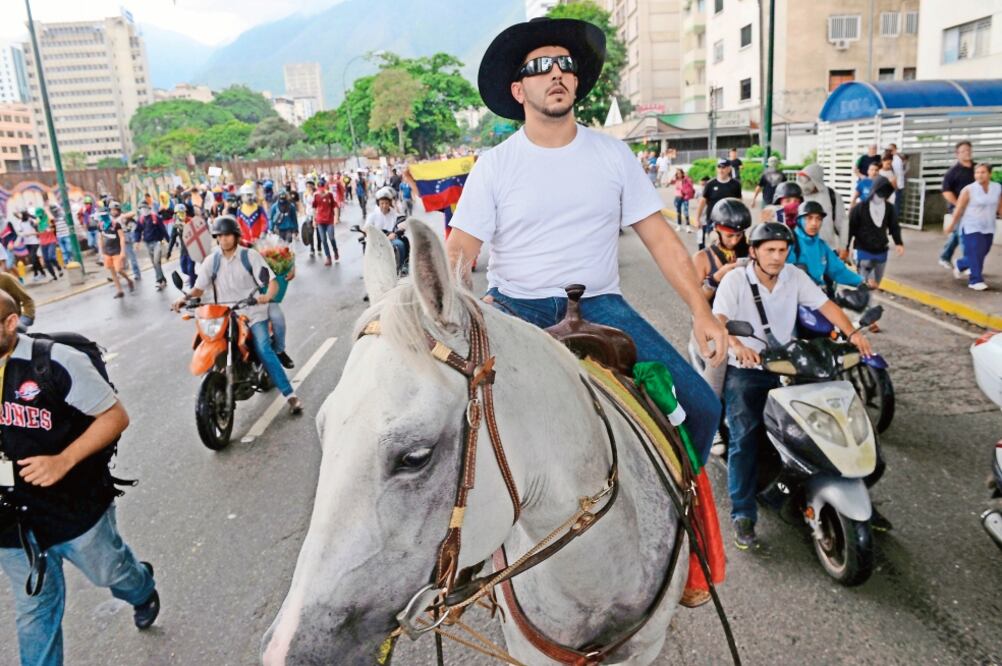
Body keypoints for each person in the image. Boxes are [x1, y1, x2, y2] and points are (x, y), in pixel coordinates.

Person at [445, 16, 726, 470]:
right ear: (519, 91)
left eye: (565, 64)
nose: (556, 73)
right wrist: (440, 313)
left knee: (702, 408)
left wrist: (701, 311)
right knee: (457, 429)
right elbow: (460, 252)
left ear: (575, 81)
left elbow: (660, 238)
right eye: (541, 66)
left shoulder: (613, 154)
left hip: (600, 307)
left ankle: (678, 520)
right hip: (517, 310)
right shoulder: (495, 166)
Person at [0, 292, 160, 666]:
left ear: (10, 324)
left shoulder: (53, 363)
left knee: (111, 571)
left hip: (74, 509)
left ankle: (142, 588)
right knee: (34, 611)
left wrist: (63, 460)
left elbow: (114, 416)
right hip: (12, 524)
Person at [712, 223, 872, 549]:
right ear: (753, 251)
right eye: (769, 250)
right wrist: (736, 345)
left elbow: (826, 306)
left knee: (826, 419)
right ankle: (743, 514)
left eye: (782, 250)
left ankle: (842, 488)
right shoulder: (735, 280)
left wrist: (853, 333)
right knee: (745, 438)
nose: (776, 257)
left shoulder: (794, 277)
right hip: (747, 369)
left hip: (787, 364)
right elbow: (719, 321)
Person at [172, 216, 303, 415]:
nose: (224, 239)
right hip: (223, 313)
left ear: (236, 236)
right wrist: (185, 298)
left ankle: (290, 395)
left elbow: (272, 281)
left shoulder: (250, 256)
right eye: (220, 236)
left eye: (228, 235)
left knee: (263, 349)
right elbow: (199, 288)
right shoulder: (211, 261)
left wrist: (266, 296)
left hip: (251, 312)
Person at [945, 163, 1002, 291]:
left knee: (982, 253)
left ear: (990, 174)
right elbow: (959, 208)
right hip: (971, 226)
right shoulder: (969, 189)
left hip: (988, 226)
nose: (979, 175)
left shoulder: (997, 188)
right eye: (977, 172)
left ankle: (960, 264)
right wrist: (951, 225)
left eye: (983, 172)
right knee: (976, 254)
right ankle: (975, 280)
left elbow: (999, 205)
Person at [788, 200, 867, 291]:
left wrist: (862, 281)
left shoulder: (822, 246)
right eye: (809, 218)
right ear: (799, 220)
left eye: (818, 219)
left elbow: (838, 271)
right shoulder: (790, 243)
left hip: (817, 294)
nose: (814, 223)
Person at [846, 176, 903, 289]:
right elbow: (850, 229)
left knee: (874, 285)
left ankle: (864, 302)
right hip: (863, 250)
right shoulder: (859, 208)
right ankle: (866, 299)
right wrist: (846, 247)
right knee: (867, 282)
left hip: (881, 251)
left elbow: (894, 226)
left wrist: (898, 243)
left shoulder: (889, 209)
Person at [939, 140, 975, 271]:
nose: (967, 152)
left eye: (969, 150)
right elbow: (946, 191)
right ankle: (967, 264)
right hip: (959, 209)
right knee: (964, 235)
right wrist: (959, 205)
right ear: (957, 154)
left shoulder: (977, 169)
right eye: (964, 150)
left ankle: (944, 257)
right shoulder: (953, 172)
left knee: (956, 234)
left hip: (975, 208)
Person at [797, 164, 848, 252]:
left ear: (816, 180)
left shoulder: (833, 196)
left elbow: (842, 223)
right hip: (803, 250)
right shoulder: (797, 196)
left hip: (829, 249)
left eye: (806, 180)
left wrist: (843, 246)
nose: (803, 184)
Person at [694, 159, 743, 250]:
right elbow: (702, 202)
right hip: (713, 222)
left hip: (730, 222)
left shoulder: (736, 184)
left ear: (729, 169)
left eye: (723, 167)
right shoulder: (710, 184)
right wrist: (697, 218)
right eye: (719, 167)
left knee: (731, 248)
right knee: (716, 245)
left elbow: (739, 202)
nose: (721, 170)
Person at [98, 208, 135, 298]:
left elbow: (122, 237)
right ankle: (119, 290)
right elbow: (100, 238)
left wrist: (122, 251)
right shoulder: (101, 225)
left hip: (116, 250)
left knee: (119, 269)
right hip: (107, 251)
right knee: (112, 271)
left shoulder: (115, 224)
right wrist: (101, 252)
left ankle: (129, 280)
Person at [370, 187, 407, 274]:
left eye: (386, 203)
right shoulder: (373, 215)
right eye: (382, 203)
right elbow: (367, 227)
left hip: (392, 237)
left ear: (390, 203)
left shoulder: (394, 213)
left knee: (401, 244)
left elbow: (400, 222)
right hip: (377, 239)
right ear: (378, 203)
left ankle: (401, 266)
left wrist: (401, 227)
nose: (384, 205)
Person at [134, 203, 169, 290]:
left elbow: (163, 229)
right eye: (142, 208)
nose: (143, 210)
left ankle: (159, 280)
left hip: (157, 242)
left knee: (156, 261)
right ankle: (163, 279)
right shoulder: (141, 219)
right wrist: (137, 242)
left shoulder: (155, 217)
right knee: (154, 263)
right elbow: (138, 231)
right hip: (147, 243)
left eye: (145, 208)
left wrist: (168, 241)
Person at [166, 206, 197, 289]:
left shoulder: (191, 221)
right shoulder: (176, 225)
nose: (181, 215)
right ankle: (195, 277)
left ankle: (192, 288)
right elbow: (172, 239)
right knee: (184, 269)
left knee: (190, 269)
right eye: (179, 213)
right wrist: (169, 251)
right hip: (183, 250)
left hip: (192, 249)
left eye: (183, 213)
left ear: (186, 213)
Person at [110, 202, 141, 283]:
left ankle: (137, 274)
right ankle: (118, 273)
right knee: (119, 259)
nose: (113, 212)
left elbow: (133, 213)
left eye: (115, 210)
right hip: (115, 240)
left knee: (131, 257)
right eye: (112, 210)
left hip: (126, 238)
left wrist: (123, 216)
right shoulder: (111, 219)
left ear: (118, 210)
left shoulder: (122, 217)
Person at [312, 183, 340, 266]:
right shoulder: (316, 197)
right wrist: (314, 220)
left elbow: (335, 206)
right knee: (323, 239)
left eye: (322, 188)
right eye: (320, 188)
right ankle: (328, 257)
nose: (321, 191)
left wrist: (336, 218)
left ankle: (335, 250)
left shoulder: (330, 195)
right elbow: (314, 208)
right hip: (320, 221)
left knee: (331, 237)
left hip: (329, 220)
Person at [36, 208, 63, 282]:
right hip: (43, 243)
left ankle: (59, 268)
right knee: (46, 260)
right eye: (38, 216)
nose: (40, 216)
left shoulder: (48, 219)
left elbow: (52, 221)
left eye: (41, 215)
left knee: (51, 257)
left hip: (51, 241)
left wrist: (47, 211)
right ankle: (53, 276)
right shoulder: (37, 223)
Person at [77, 196, 100, 263]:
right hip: (89, 230)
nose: (87, 205)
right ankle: (96, 250)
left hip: (96, 229)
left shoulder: (94, 210)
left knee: (97, 243)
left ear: (91, 203)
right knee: (90, 244)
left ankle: (99, 254)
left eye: (89, 203)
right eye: (86, 203)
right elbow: (82, 219)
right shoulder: (84, 211)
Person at [887, 143, 907, 219]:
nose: (889, 151)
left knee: (896, 203)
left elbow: (898, 173)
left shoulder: (897, 159)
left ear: (895, 150)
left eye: (891, 149)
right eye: (888, 150)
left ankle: (894, 220)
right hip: (893, 184)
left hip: (897, 185)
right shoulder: (891, 158)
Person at [301, 180, 317, 258]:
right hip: (309, 215)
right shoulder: (305, 194)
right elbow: (304, 204)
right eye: (307, 186)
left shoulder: (316, 193)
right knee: (310, 232)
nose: (308, 187)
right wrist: (305, 213)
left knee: (319, 233)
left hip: (317, 215)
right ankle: (312, 248)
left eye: (310, 186)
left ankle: (319, 246)